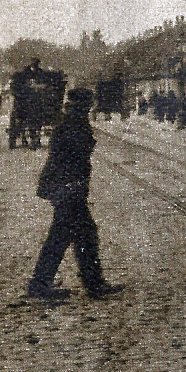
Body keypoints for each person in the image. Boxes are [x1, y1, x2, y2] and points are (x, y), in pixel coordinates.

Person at [27, 88, 123, 302]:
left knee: (78, 234)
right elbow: (70, 158)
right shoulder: (73, 124)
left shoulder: (73, 121)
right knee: (72, 235)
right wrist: (73, 184)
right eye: (88, 104)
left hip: (67, 187)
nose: (90, 107)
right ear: (82, 104)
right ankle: (46, 285)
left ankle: (88, 282)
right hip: (67, 188)